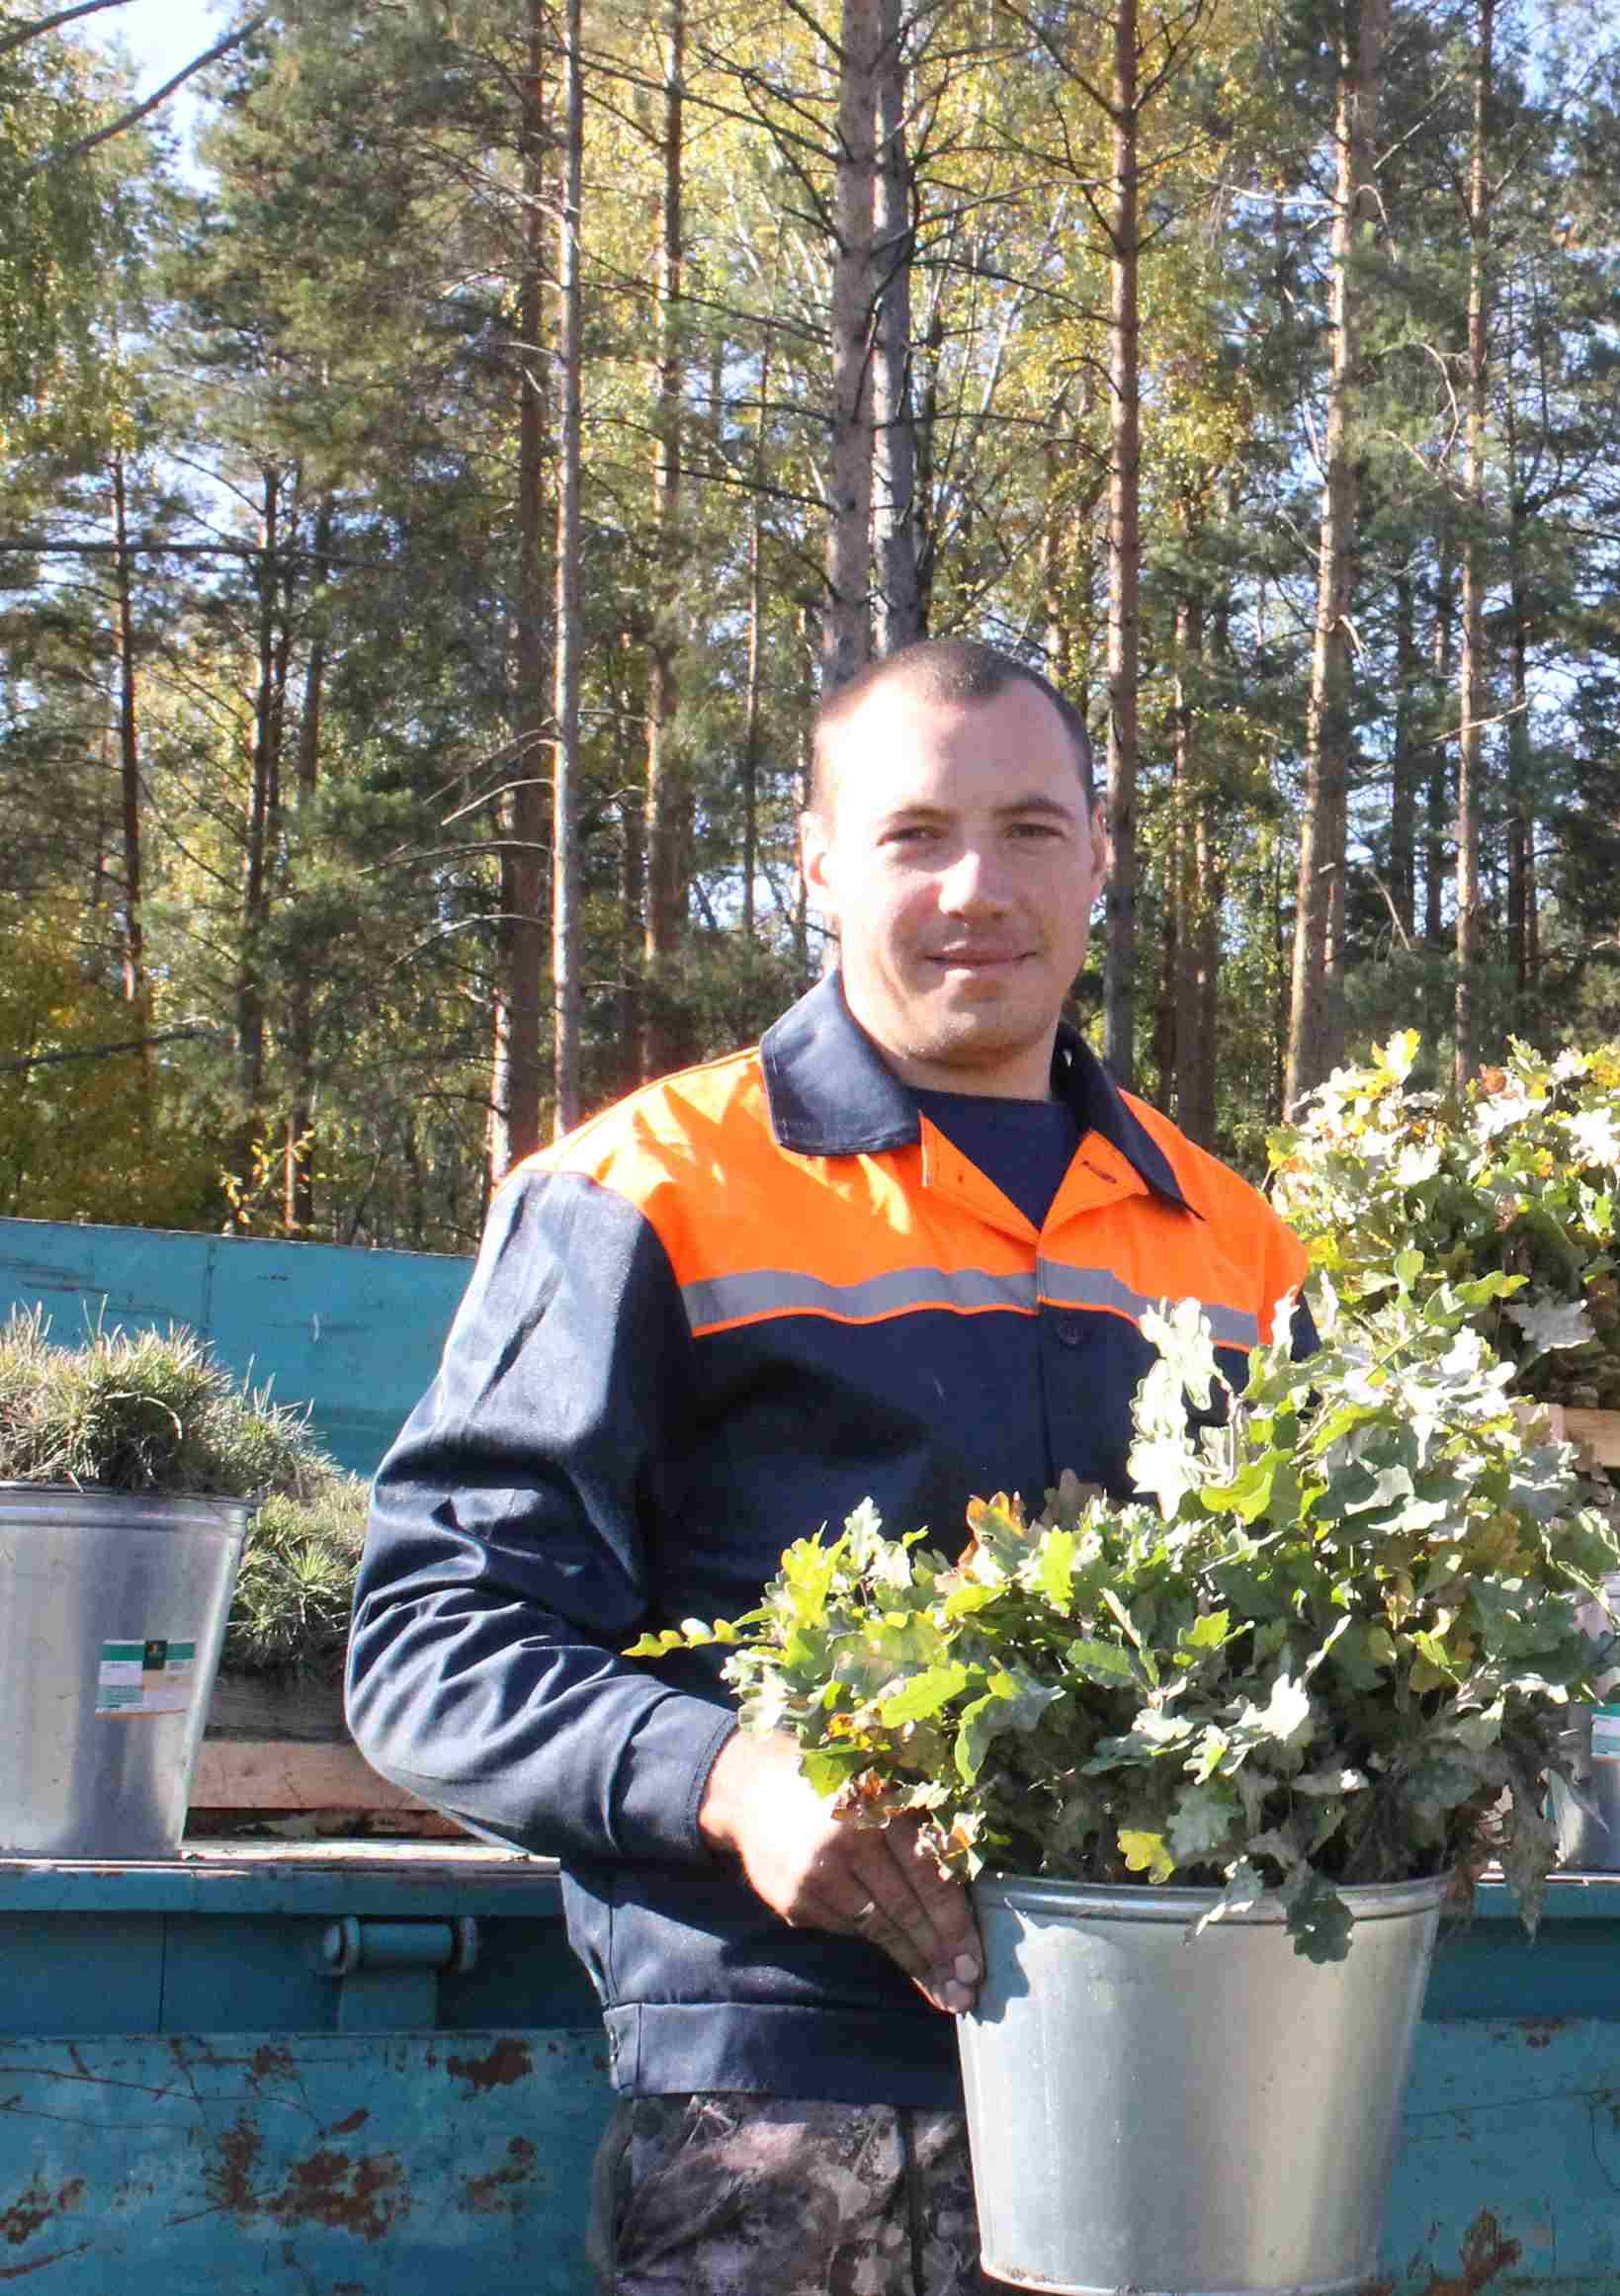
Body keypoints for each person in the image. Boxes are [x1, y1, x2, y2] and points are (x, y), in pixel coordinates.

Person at [348, 637, 1310, 2295]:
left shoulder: (1238, 1245)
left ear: (1100, 854)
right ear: (813, 861)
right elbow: (437, 1640)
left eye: (1026, 829)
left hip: (1171, 2080)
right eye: (913, 832)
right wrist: (735, 1781)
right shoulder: (646, 1191)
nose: (973, 887)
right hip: (789, 2093)